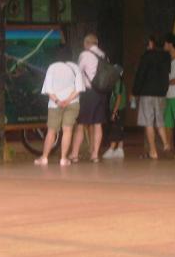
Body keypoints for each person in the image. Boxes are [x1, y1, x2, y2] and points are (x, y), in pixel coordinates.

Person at [34, 52, 85, 167]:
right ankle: (63, 159)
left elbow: (48, 89)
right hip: (72, 103)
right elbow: (78, 89)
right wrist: (67, 100)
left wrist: (58, 101)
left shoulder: (52, 67)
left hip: (54, 104)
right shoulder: (75, 67)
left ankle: (44, 157)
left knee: (51, 131)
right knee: (67, 130)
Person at [133, 35, 171, 159]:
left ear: (152, 44)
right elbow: (167, 75)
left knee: (148, 122)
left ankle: (153, 151)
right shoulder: (166, 56)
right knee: (159, 120)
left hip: (147, 93)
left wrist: (135, 91)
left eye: (148, 43)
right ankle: (165, 143)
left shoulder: (147, 56)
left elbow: (140, 75)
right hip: (161, 93)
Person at [71, 33, 108, 163]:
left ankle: (74, 154)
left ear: (87, 43)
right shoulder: (103, 55)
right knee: (98, 124)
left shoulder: (85, 55)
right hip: (101, 93)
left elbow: (78, 72)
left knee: (81, 124)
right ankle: (95, 155)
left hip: (89, 93)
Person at [101, 77, 127, 160]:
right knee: (119, 128)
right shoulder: (118, 82)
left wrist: (114, 112)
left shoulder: (117, 82)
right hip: (119, 109)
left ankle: (112, 149)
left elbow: (118, 98)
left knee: (115, 129)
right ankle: (120, 149)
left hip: (118, 109)